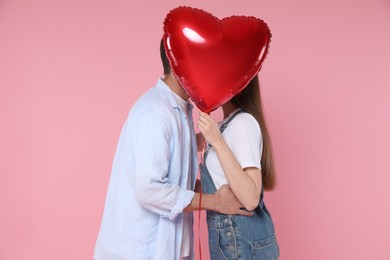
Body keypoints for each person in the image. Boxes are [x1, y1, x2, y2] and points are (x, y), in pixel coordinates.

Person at [93, 39, 252, 260]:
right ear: (180, 65)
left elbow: (177, 178)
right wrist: (215, 201)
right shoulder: (155, 113)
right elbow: (150, 189)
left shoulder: (180, 109)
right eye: (200, 63)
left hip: (166, 249)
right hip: (137, 252)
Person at [197, 75, 280, 259]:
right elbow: (183, 143)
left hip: (240, 240)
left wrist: (217, 141)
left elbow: (251, 199)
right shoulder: (226, 125)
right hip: (229, 239)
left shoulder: (243, 124)